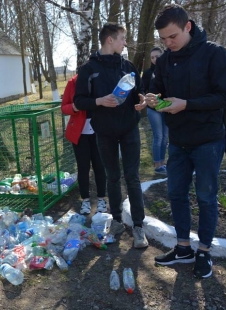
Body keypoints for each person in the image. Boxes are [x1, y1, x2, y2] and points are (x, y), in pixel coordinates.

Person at [145, 4, 226, 279]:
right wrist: (151, 100)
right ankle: (183, 247)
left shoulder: (214, 54)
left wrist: (187, 104)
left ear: (188, 27)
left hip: (208, 140)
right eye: (163, 39)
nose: (168, 43)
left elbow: (225, 98)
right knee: (176, 194)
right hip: (179, 140)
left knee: (206, 196)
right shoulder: (165, 60)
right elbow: (158, 90)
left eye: (172, 37)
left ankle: (204, 251)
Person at [73, 22, 149, 249]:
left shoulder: (128, 66)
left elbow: (139, 91)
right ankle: (116, 222)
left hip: (129, 129)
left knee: (132, 177)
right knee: (112, 177)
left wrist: (142, 101)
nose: (125, 43)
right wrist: (99, 101)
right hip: (104, 132)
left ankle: (138, 226)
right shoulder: (89, 69)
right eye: (122, 39)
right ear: (110, 40)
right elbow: (78, 101)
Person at [61, 74, 107, 215]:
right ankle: (85, 200)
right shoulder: (73, 82)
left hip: (99, 131)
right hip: (79, 133)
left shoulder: (101, 80)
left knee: (100, 166)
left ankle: (101, 199)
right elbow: (64, 107)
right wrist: (74, 107)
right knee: (83, 167)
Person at [142, 47, 169, 175]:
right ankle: (157, 164)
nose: (154, 59)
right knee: (158, 136)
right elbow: (143, 90)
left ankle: (163, 163)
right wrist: (147, 101)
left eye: (157, 56)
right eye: (152, 57)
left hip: (166, 106)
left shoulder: (168, 70)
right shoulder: (148, 73)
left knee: (165, 137)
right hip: (153, 108)